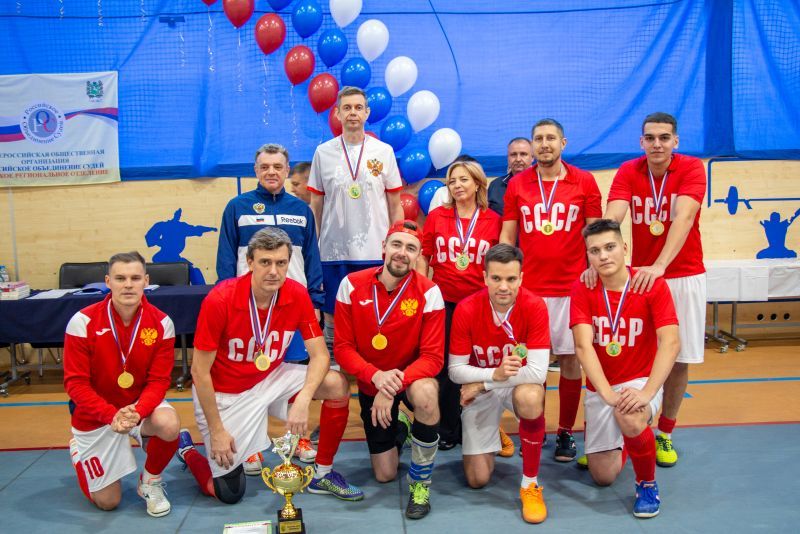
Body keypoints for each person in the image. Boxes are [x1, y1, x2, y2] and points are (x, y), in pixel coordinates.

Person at [176, 228, 363, 505]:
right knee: (228, 493)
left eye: (281, 263)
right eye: (265, 262)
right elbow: (199, 372)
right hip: (226, 393)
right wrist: (216, 431)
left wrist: (303, 400)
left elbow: (321, 356)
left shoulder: (296, 293)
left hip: (271, 377)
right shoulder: (220, 299)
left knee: (336, 384)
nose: (274, 271)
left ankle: (323, 474)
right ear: (250, 262)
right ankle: (188, 450)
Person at [593, 112, 706, 467]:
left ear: (676, 141)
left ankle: (665, 433)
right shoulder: (630, 170)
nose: (657, 144)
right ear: (641, 141)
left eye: (664, 137)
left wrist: (661, 265)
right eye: (650, 138)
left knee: (679, 359)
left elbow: (684, 217)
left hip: (682, 274)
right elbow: (613, 217)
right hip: (641, 277)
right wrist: (598, 254)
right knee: (636, 354)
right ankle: (634, 428)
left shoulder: (691, 168)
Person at [500, 118, 602, 462]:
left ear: (563, 143)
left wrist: (593, 270)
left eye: (550, 138)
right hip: (530, 290)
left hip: (572, 289)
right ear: (532, 145)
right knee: (533, 364)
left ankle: (565, 432)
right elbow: (508, 235)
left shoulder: (584, 181)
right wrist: (507, 277)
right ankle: (536, 426)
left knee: (572, 361)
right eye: (539, 139)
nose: (544, 144)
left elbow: (594, 233)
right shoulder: (518, 184)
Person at [216, 143, 322, 463]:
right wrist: (225, 302)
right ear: (256, 171)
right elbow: (225, 260)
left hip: (293, 308)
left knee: (297, 373)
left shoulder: (302, 210)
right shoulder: (237, 207)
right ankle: (250, 447)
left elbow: (312, 258)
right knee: (250, 377)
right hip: (249, 310)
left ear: (287, 170)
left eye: (277, 166)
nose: (271, 172)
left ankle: (298, 439)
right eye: (265, 167)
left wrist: (315, 300)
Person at [334, 220, 445, 520]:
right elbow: (342, 348)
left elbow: (433, 358)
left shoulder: (429, 292)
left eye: (411, 248)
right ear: (383, 247)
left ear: (418, 255)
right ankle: (402, 427)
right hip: (373, 382)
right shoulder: (351, 285)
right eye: (396, 244)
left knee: (426, 393)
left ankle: (420, 483)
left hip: (409, 379)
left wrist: (392, 385)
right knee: (385, 474)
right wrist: (376, 377)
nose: (401, 253)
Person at [571, 219, 680, 518]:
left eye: (610, 247)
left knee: (629, 415)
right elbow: (583, 346)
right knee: (602, 477)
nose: (603, 256)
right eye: (595, 251)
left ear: (625, 248)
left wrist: (647, 393)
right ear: (588, 256)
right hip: (602, 386)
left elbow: (671, 342)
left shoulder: (650, 285)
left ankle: (647, 484)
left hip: (640, 380)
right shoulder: (583, 287)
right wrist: (606, 393)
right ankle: (631, 441)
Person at [64, 252, 180, 517]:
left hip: (137, 407)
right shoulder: (82, 322)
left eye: (135, 278)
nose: (128, 285)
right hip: (97, 414)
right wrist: (110, 415)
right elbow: (75, 384)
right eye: (120, 278)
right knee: (108, 502)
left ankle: (150, 482)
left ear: (146, 281)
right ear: (108, 281)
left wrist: (138, 411)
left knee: (169, 424)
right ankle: (79, 452)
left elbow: (159, 380)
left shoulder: (162, 323)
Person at [449, 244, 551, 524]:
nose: (503, 287)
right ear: (484, 277)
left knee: (531, 397)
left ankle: (530, 484)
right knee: (477, 479)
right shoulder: (467, 308)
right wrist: (493, 376)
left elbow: (538, 373)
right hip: (487, 381)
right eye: (496, 278)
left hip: (510, 384)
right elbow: (455, 371)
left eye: (511, 279)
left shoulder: (535, 306)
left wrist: (486, 384)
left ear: (521, 278)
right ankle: (494, 432)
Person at [308, 86, 404, 361]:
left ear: (367, 113)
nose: (353, 113)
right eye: (347, 108)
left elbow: (395, 205)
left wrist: (396, 246)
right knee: (332, 315)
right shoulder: (323, 153)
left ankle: (374, 368)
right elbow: (316, 207)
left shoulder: (383, 152)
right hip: (333, 252)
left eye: (358, 107)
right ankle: (331, 368)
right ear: (337, 113)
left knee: (375, 315)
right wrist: (313, 251)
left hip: (375, 251)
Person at [418, 160, 502, 451]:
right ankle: (447, 428)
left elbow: (498, 264)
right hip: (444, 302)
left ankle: (478, 425)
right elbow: (424, 256)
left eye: (463, 179)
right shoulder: (437, 216)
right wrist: (423, 292)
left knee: (477, 364)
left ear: (478, 184)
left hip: (479, 304)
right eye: (452, 181)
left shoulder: (493, 220)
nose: (457, 185)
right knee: (445, 365)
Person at [487, 138, 534, 215]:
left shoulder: (542, 183)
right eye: (513, 155)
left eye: (523, 154)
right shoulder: (495, 185)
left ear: (532, 157)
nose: (518, 159)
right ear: (508, 158)